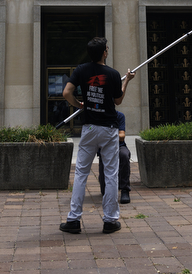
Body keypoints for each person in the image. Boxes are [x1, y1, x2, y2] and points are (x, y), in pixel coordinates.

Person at [60, 37, 135, 235]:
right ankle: (110, 221)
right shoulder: (112, 74)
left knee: (81, 173)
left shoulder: (81, 70)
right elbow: (118, 101)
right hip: (109, 128)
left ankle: (73, 219)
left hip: (90, 128)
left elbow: (66, 92)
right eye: (107, 49)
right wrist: (126, 80)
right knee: (111, 174)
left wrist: (79, 105)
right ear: (104, 53)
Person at [98, 110, 131, 204]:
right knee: (104, 192)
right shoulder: (97, 116)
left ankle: (125, 189)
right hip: (103, 148)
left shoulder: (119, 115)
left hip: (119, 146)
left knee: (124, 155)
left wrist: (105, 136)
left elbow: (122, 136)